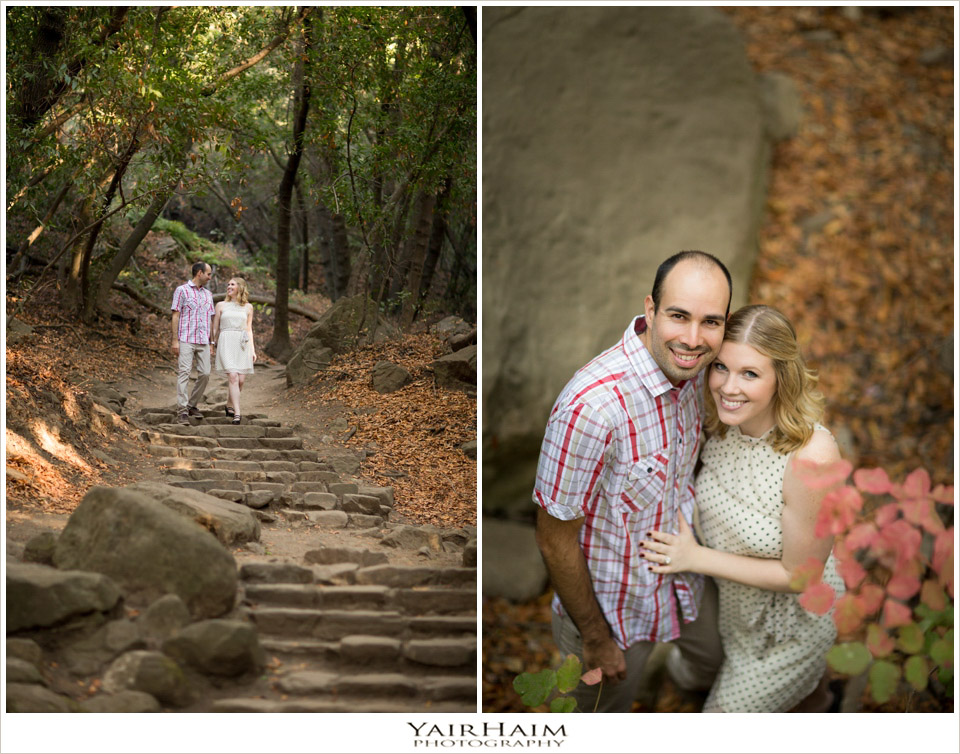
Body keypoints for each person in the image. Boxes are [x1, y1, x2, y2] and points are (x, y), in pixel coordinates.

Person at [533, 250, 731, 713]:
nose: (693, 338)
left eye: (711, 322)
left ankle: (677, 683)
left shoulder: (695, 373)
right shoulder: (592, 409)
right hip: (611, 614)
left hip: (683, 579)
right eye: (678, 316)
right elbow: (552, 541)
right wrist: (596, 639)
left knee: (725, 661)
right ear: (650, 310)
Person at [643, 304, 844, 712]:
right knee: (686, 675)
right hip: (733, 614)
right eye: (720, 367)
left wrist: (694, 557)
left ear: (780, 380)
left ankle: (820, 693)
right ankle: (820, 700)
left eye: (750, 373)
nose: (728, 387)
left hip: (788, 630)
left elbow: (799, 576)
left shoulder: (812, 457)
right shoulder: (719, 422)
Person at [171, 262, 215, 425]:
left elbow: (210, 319)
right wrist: (175, 340)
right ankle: (182, 411)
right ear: (199, 273)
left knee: (205, 373)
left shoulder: (208, 295)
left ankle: (191, 405)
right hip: (186, 339)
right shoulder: (181, 291)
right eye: (208, 274)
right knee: (184, 373)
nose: (210, 277)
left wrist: (211, 342)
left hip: (203, 341)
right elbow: (175, 315)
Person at [212, 277, 256, 424]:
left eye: (232, 284)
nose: (228, 286)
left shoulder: (248, 307)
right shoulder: (220, 305)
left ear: (240, 287)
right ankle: (237, 413)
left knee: (241, 380)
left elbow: (249, 329)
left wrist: (253, 350)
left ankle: (229, 404)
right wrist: (213, 343)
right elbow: (215, 327)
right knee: (232, 376)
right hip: (226, 341)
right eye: (228, 284)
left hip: (242, 344)